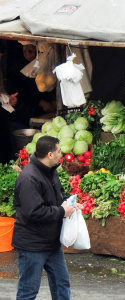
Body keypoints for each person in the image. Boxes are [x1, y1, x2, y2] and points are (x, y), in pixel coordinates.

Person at [12, 136, 83, 299]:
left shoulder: (51, 171)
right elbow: (34, 212)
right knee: (28, 290)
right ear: (50, 154)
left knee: (61, 284)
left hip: (51, 242)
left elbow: (56, 199)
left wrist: (69, 204)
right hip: (32, 244)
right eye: (59, 151)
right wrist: (61, 212)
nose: (61, 154)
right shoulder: (29, 178)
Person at [6, 42, 56, 129]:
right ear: (24, 52)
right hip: (23, 109)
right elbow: (21, 92)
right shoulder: (16, 69)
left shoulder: (40, 65)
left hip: (40, 108)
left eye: (35, 52)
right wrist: (40, 102)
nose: (33, 55)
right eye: (30, 51)